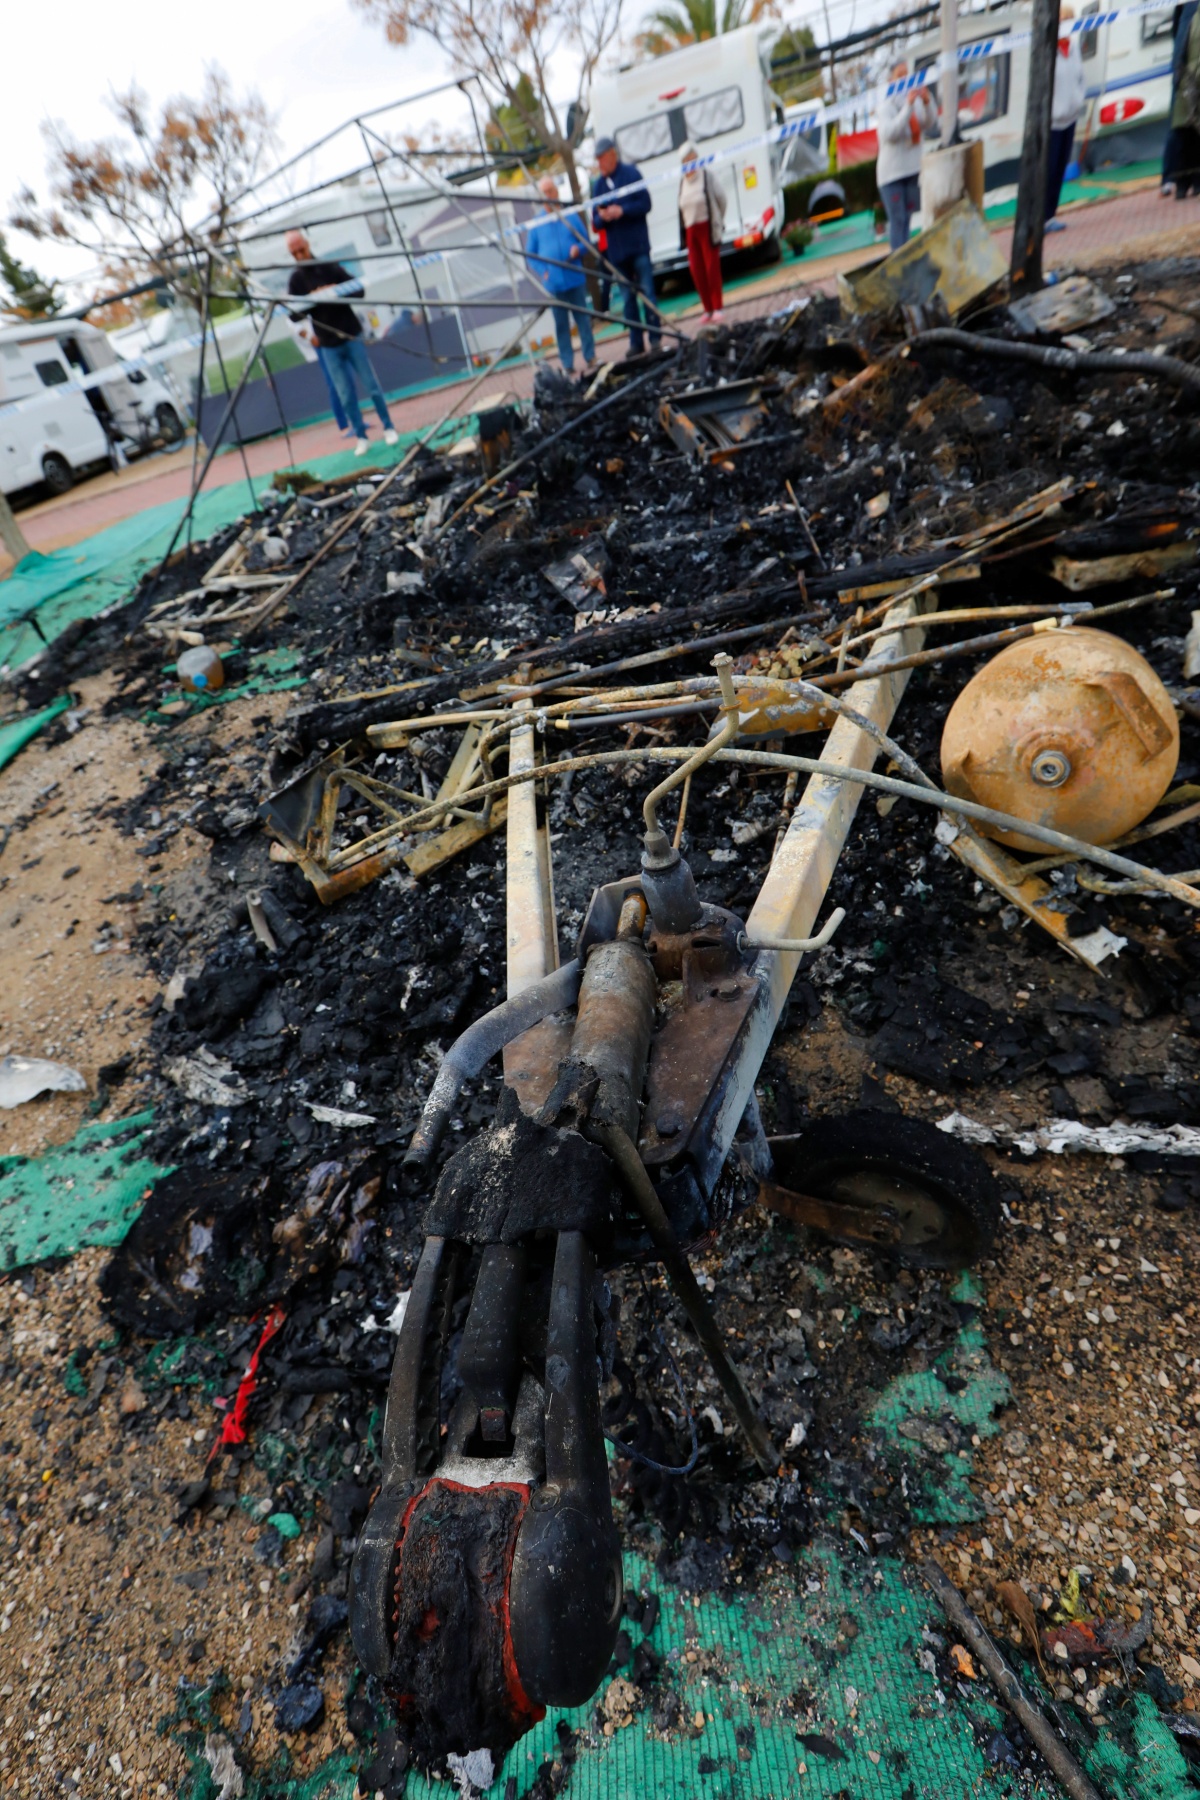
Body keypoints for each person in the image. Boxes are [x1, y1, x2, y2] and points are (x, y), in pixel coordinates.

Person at [285, 231, 399, 457]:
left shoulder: (330, 266)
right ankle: (361, 436)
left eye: (302, 249)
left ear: (308, 244)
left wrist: (334, 291)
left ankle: (388, 427)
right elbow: (293, 315)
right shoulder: (296, 280)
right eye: (295, 252)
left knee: (371, 384)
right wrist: (312, 299)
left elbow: (359, 290)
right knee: (344, 393)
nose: (300, 254)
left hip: (351, 334)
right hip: (328, 344)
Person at [591, 136, 662, 356]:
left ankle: (655, 338)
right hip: (617, 253)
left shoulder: (631, 174)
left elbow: (645, 203)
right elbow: (594, 220)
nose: (600, 164)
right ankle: (636, 342)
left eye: (603, 158)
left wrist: (622, 211)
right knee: (627, 299)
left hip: (638, 246)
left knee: (648, 292)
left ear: (612, 154)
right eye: (598, 160)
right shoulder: (598, 186)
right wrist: (603, 217)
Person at [524, 176, 597, 376]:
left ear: (557, 192)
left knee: (583, 320)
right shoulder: (537, 224)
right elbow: (530, 254)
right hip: (554, 284)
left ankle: (590, 356)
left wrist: (578, 249)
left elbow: (585, 241)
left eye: (552, 191)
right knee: (561, 325)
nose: (549, 196)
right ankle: (567, 363)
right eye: (545, 193)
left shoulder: (570, 216)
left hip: (575, 278)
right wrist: (543, 272)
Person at [875, 60, 937, 252]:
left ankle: (905, 256)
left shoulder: (916, 98)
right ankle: (897, 259)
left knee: (908, 217)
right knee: (898, 218)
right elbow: (889, 134)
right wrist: (908, 106)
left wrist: (926, 102)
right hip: (891, 175)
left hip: (912, 169)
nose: (904, 78)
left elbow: (929, 123)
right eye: (899, 75)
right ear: (891, 80)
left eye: (906, 74)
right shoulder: (885, 105)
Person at [1046, 8, 1087, 231]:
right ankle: (1042, 216)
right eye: (1064, 20)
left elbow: (1081, 77)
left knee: (1060, 168)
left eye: (1070, 20)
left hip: (1070, 118)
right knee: (1049, 169)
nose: (1067, 24)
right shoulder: (1047, 49)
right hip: (1052, 122)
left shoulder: (1073, 48)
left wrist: (1078, 100)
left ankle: (1051, 214)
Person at [677, 141, 727, 322]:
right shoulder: (682, 183)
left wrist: (718, 219)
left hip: (706, 226)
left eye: (692, 158)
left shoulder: (707, 176)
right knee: (697, 270)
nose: (689, 163)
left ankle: (718, 306)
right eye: (686, 160)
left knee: (711, 268)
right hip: (691, 231)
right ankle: (707, 308)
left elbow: (721, 198)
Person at [1162, 0, 1199, 192]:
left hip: (1184, 71)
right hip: (1187, 73)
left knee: (1181, 129)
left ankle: (1176, 181)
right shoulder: (1189, 7)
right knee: (1181, 129)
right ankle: (1173, 179)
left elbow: (1176, 32)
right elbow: (1179, 34)